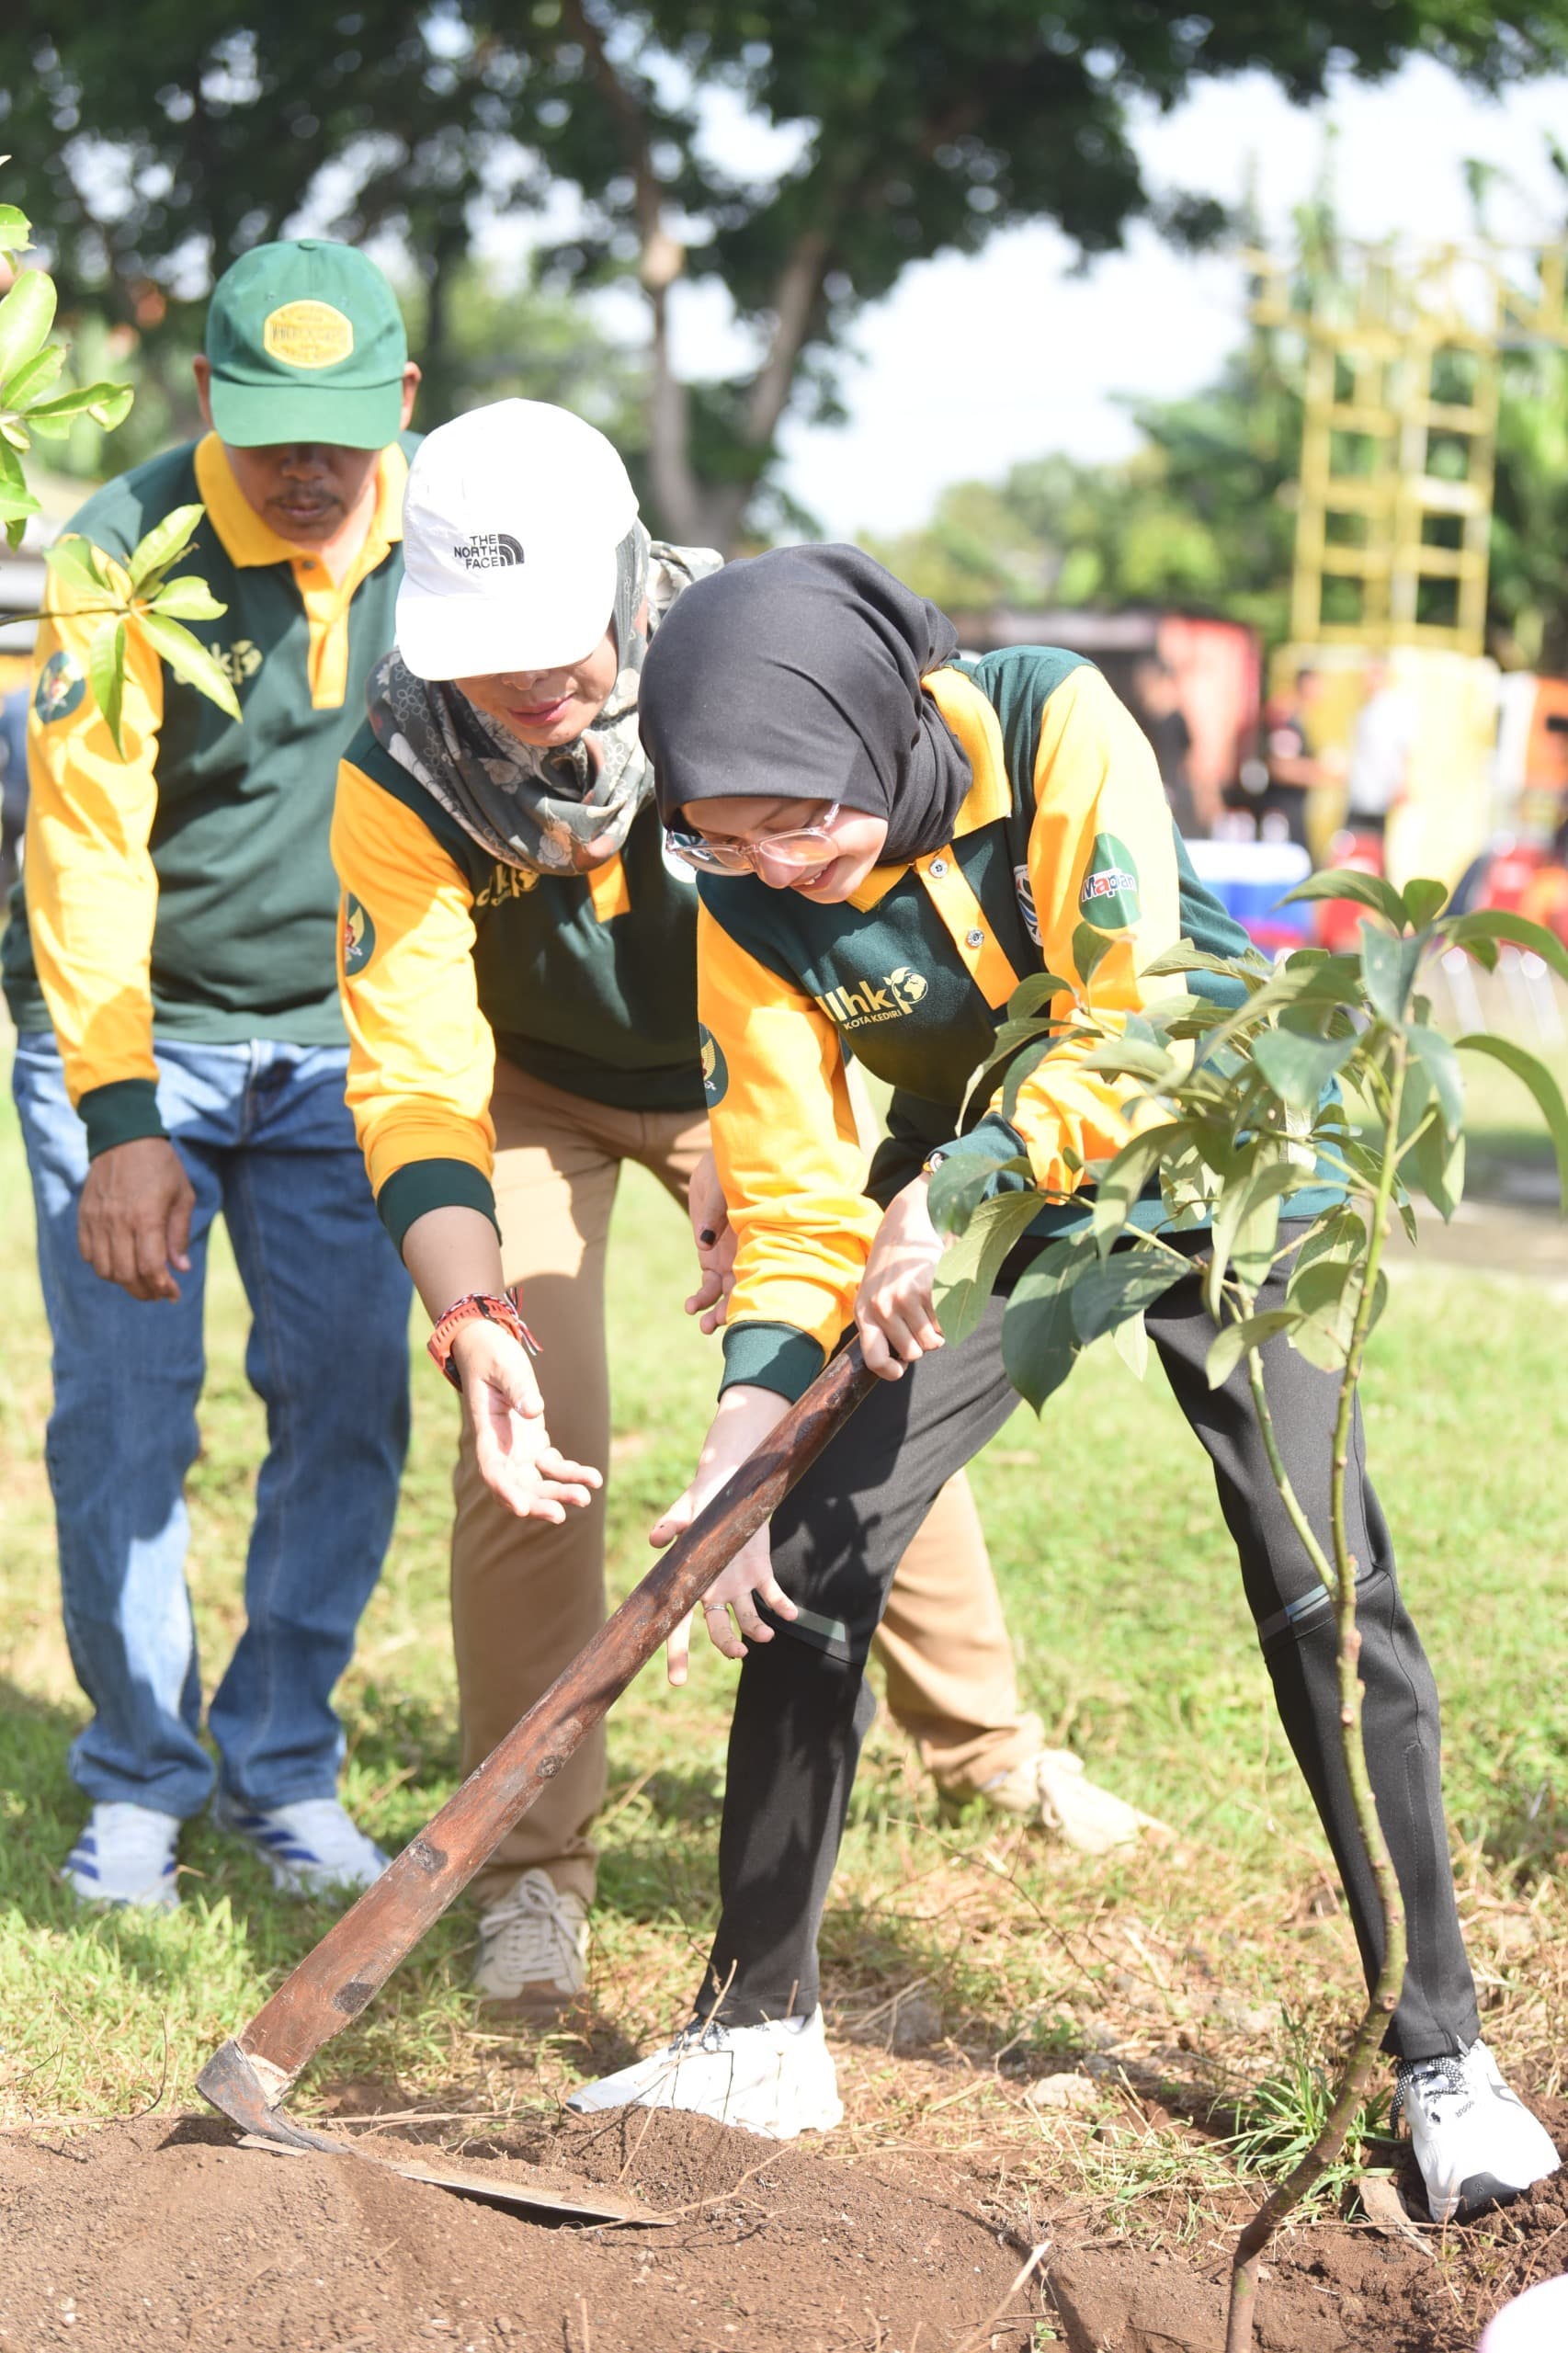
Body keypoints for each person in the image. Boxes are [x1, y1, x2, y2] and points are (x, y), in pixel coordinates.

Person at [565, 546, 1562, 2228]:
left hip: (1221, 1147)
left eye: (800, 823)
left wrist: (944, 1191)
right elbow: (796, 1184)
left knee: (1324, 1584)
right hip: (962, 1202)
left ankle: (1443, 2060)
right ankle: (756, 2030)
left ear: (872, 725)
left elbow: (1135, 1009)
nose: (777, 869)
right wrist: (742, 1434)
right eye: (720, 840)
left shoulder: (1049, 726)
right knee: (807, 1547)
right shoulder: (741, 896)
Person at [331, 400, 1159, 2013]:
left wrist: (763, 1170)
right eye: (489, 657)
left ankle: (986, 1746)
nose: (534, 693)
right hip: (533, 1089)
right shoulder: (402, 771)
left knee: (863, 1373)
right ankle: (533, 1873)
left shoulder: (760, 669)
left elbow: (857, 928)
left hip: (765, 1079)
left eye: (563, 648)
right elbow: (415, 1076)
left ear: (632, 579)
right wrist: (470, 1310)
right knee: (533, 1431)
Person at [4, 239, 422, 1909]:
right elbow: (86, 852)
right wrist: (118, 1120)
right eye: (267, 431)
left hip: (350, 1048)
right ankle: (140, 1778)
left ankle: (282, 1761)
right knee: (125, 1422)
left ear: (401, 400)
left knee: (346, 1409)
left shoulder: (450, 550)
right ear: (203, 402)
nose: (305, 468)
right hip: (137, 1041)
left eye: (338, 428)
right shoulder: (125, 552)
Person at [1345, 660, 1415, 838]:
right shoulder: (1365, 710)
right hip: (1360, 792)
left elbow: (1405, 749)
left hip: (1380, 794)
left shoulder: (1393, 708)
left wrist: (1402, 783)